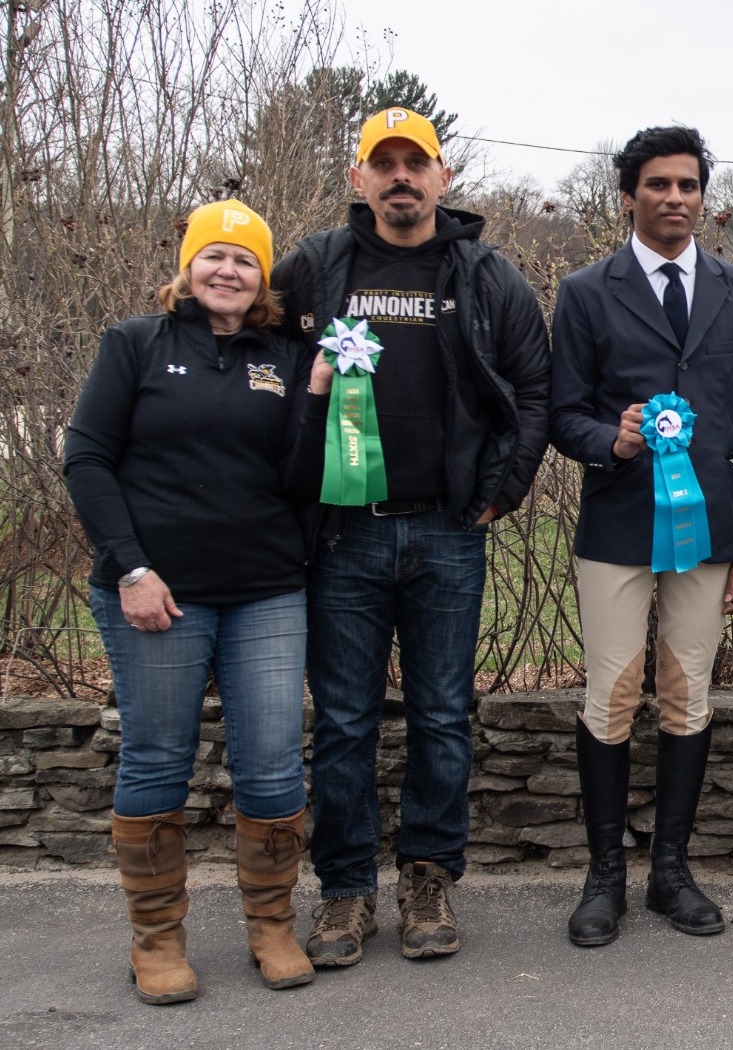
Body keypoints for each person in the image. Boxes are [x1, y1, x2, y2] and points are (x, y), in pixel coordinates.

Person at [274, 108, 552, 966]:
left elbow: (533, 389)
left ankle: (428, 877)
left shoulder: (486, 273)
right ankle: (346, 890)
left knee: (440, 718)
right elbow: (257, 370)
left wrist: (502, 492)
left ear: (443, 176)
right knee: (346, 724)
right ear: (357, 178)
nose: (400, 176)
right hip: (346, 537)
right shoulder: (315, 269)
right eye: (382, 163)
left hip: (447, 534)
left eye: (415, 162)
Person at [66, 200, 316, 1003]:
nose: (228, 271)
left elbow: (302, 473)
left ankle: (272, 924)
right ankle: (156, 938)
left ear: (262, 277)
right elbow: (88, 459)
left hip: (267, 591)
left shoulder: (286, 356)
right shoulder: (134, 344)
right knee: (157, 759)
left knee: (274, 760)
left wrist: (315, 397)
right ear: (188, 266)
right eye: (214, 256)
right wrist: (131, 569)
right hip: (157, 595)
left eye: (245, 261)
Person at [549, 125, 733, 945]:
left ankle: (670, 873)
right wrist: (607, 440)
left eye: (687, 185)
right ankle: (604, 876)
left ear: (703, 198)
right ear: (628, 196)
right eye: (658, 185)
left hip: (712, 530)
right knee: (610, 696)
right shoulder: (584, 291)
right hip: (616, 525)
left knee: (689, 693)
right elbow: (560, 413)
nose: (674, 198)